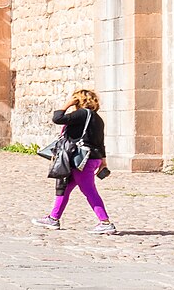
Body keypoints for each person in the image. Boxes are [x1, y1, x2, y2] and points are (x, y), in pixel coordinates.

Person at [33, 88, 115, 233]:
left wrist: (67, 104)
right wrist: (103, 161)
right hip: (91, 158)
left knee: (89, 190)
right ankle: (53, 218)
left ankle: (105, 222)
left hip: (81, 161)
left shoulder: (82, 114)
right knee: (64, 188)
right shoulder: (97, 118)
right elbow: (100, 142)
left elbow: (57, 118)